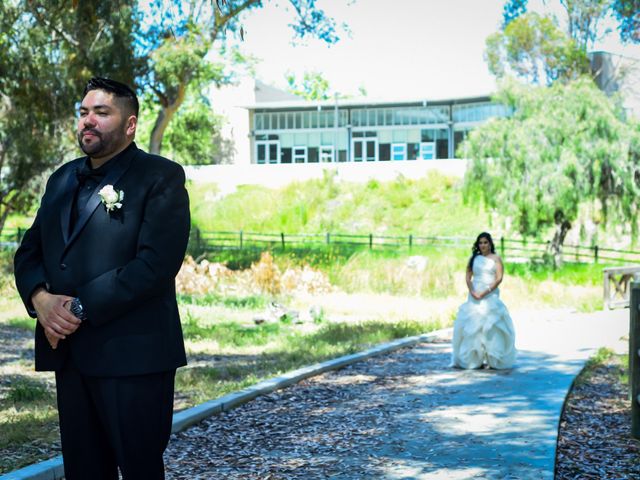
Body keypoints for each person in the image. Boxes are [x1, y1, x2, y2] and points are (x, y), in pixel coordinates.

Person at [14, 77, 190, 479]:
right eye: (83, 112)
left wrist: (75, 308)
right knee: (83, 471)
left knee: (139, 469)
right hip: (70, 356)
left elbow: (155, 265)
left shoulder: (161, 177)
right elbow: (29, 252)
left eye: (101, 112)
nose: (88, 121)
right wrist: (41, 300)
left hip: (134, 357)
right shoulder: (61, 178)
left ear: (130, 125)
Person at [451, 232, 516, 369]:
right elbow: (468, 277)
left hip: (489, 294)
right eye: (480, 243)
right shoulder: (474, 258)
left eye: (485, 242)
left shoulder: (496, 259)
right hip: (474, 295)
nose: (483, 245)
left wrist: (485, 292)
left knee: (491, 325)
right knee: (473, 325)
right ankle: (474, 359)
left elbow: (499, 278)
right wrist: (473, 292)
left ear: (490, 243)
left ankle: (493, 357)